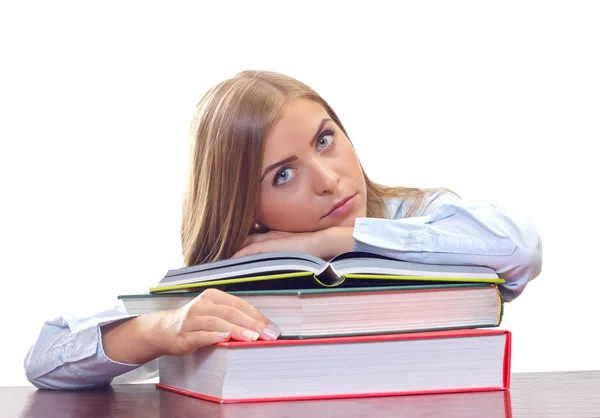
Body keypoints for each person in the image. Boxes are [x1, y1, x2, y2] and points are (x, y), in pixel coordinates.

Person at [24, 70, 542, 390]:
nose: (329, 180)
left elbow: (520, 246)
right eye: (284, 174)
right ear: (247, 207)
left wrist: (338, 240)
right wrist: (158, 329)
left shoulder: (417, 217)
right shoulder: (242, 267)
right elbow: (44, 360)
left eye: (324, 140)